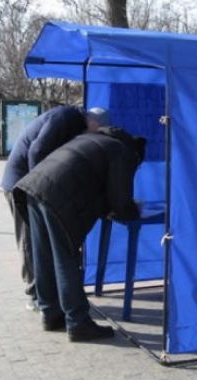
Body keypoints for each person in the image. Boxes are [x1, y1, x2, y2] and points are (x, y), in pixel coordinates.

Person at [14, 116, 146, 342]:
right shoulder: (121, 151)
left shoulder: (90, 139)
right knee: (65, 257)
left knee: (44, 255)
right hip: (54, 196)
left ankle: (50, 313)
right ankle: (78, 322)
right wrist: (133, 210)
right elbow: (120, 200)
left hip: (31, 187)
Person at [0, 105, 88, 309]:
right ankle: (34, 293)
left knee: (39, 240)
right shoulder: (66, 116)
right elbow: (37, 150)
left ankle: (46, 291)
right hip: (21, 184)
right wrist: (38, 186)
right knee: (29, 239)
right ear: (91, 122)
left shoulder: (71, 122)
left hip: (27, 182)